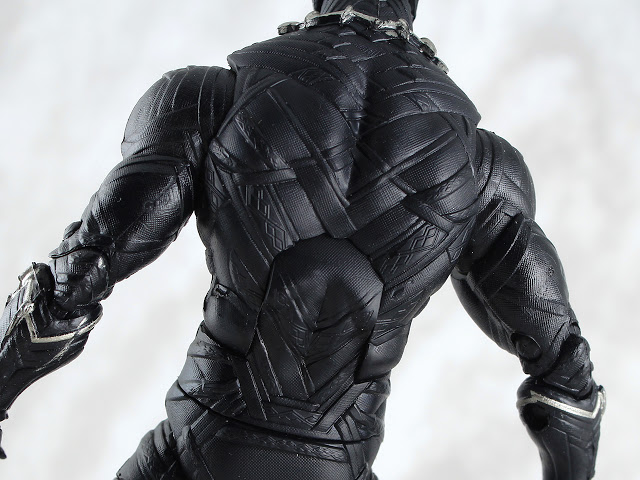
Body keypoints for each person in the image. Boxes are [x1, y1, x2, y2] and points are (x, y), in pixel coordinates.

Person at [0, 0, 604, 478]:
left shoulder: (211, 95)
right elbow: (567, 384)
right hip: (339, 459)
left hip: (198, 446)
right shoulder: (482, 165)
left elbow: (73, 282)